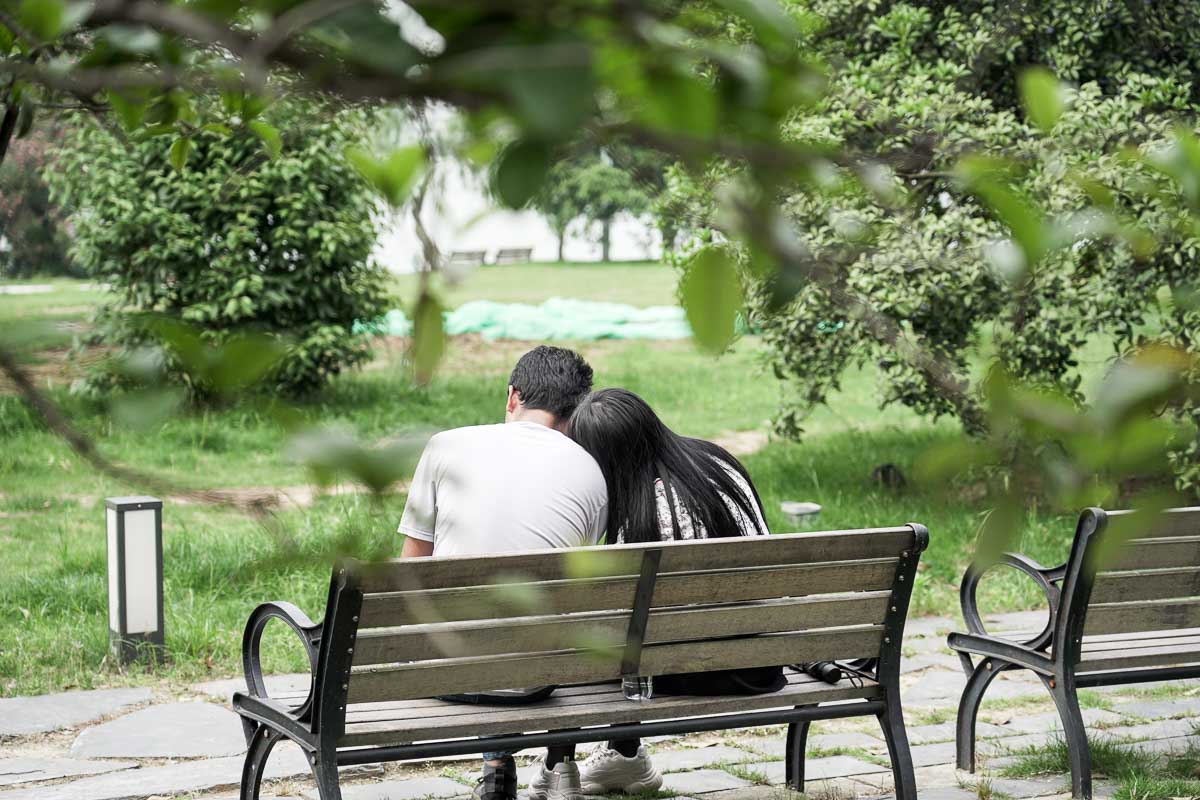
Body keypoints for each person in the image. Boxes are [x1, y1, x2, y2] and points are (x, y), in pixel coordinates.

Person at [398, 346, 608, 800]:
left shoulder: (445, 445)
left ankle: (495, 762)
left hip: (443, 675)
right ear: (576, 411)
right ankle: (557, 762)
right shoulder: (592, 471)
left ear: (512, 396)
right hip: (536, 681)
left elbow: (411, 566)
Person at [560, 387, 782, 796]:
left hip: (693, 673)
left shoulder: (638, 519)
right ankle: (623, 757)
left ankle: (560, 769)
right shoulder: (720, 462)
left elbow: (625, 627)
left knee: (572, 639)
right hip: (760, 665)